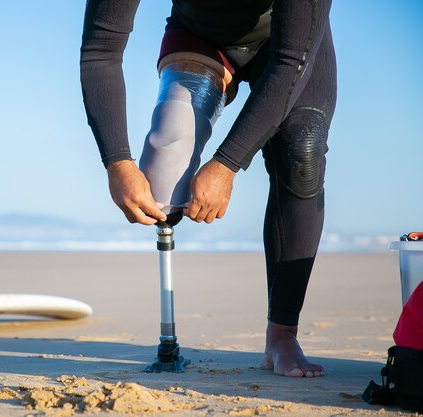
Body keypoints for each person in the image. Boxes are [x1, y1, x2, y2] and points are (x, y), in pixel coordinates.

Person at [80, 0, 336, 378]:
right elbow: (100, 49)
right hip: (200, 35)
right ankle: (168, 341)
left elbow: (288, 61)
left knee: (302, 151)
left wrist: (226, 164)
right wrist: (117, 162)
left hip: (289, 48)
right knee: (164, 170)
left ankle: (282, 335)